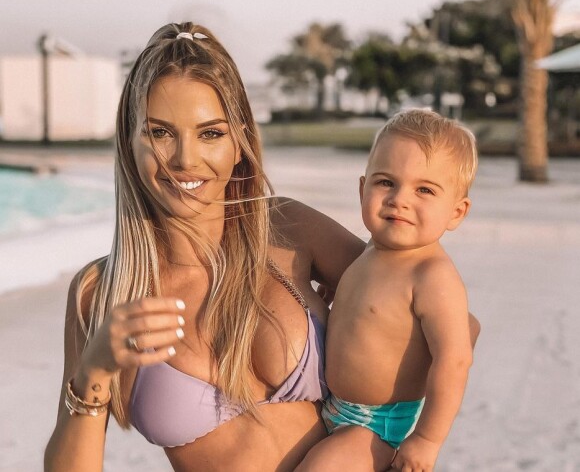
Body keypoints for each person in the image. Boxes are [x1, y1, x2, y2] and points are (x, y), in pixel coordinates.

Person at [44, 24, 478, 472]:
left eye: (210, 133)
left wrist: (393, 433)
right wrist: (93, 372)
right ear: (129, 142)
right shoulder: (101, 293)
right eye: (160, 133)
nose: (186, 160)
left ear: (240, 143)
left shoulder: (287, 227)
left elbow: (456, 332)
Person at [296, 109, 478, 472]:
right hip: (331, 403)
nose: (400, 199)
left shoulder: (432, 275)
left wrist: (426, 440)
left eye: (424, 189)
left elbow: (454, 361)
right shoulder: (371, 251)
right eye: (385, 183)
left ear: (456, 213)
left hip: (373, 426)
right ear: (362, 189)